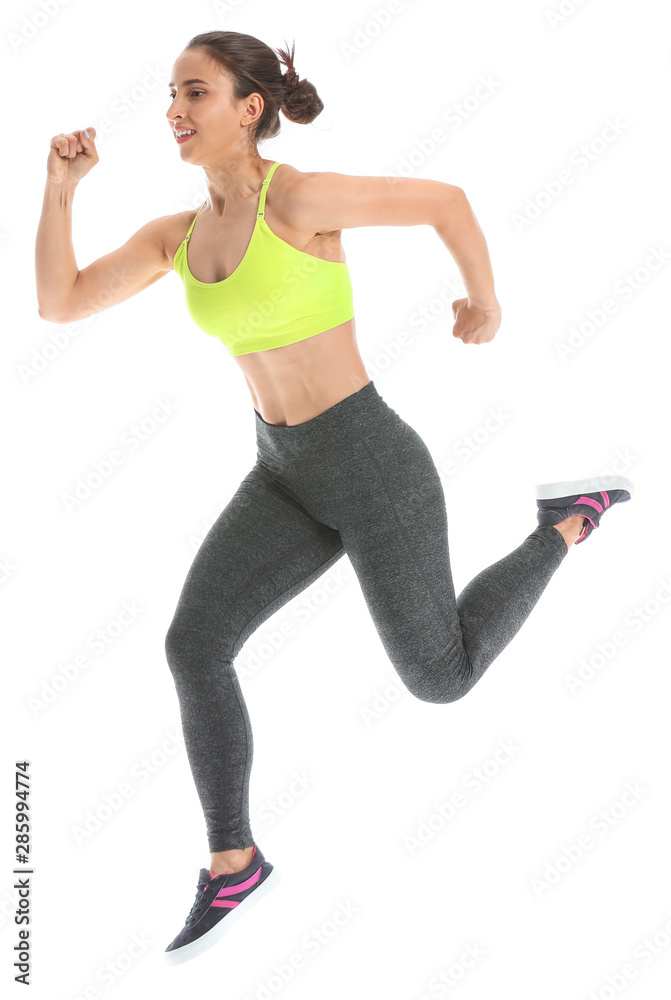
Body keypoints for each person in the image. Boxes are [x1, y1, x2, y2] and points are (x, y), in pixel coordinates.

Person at [35, 29, 633, 966]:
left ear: (249, 109)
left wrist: (484, 300)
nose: (174, 110)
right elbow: (61, 301)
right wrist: (62, 189)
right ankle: (233, 861)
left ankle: (565, 523)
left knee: (440, 679)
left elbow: (446, 202)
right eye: (170, 94)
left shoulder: (297, 199)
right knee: (194, 645)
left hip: (370, 465)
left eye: (194, 92)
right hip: (281, 471)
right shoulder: (175, 237)